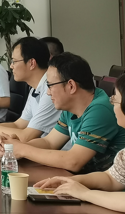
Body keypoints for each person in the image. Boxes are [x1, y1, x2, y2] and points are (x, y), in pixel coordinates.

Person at [0, 53, 125, 173]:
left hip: (107, 187)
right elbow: (49, 142)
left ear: (71, 86)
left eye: (50, 85)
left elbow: (73, 161)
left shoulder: (100, 109)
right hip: (85, 180)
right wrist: (14, 147)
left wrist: (23, 150)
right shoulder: (71, 107)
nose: (48, 92)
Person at [34, 74, 125, 211]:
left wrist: (85, 193)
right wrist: (71, 181)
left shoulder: (100, 108)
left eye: (115, 100)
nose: (111, 105)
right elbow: (112, 178)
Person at [0, 37, 60, 141]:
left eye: (14, 61)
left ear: (32, 63)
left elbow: (26, 136)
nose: (11, 66)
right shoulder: (34, 89)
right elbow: (19, 125)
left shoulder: (51, 91)